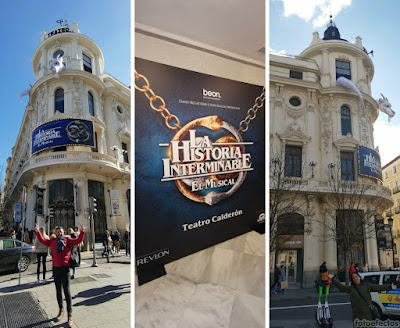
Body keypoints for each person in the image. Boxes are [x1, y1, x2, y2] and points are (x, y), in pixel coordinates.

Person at [34, 223, 85, 327]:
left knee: (67, 292)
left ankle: (70, 315)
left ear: (63, 232)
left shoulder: (68, 241)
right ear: (55, 233)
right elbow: (42, 241)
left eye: (61, 231)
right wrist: (37, 232)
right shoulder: (52, 241)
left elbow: (78, 241)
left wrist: (82, 231)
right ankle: (61, 311)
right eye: (57, 231)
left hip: (65, 269)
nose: (59, 232)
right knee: (58, 292)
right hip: (56, 269)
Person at [329, 272, 397, 326]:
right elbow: (341, 287)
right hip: (357, 316)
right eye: (353, 278)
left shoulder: (366, 286)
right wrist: (333, 279)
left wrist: (389, 286)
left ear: (360, 277)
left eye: (356, 277)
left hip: (367, 316)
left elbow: (378, 287)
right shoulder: (351, 289)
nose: (355, 279)